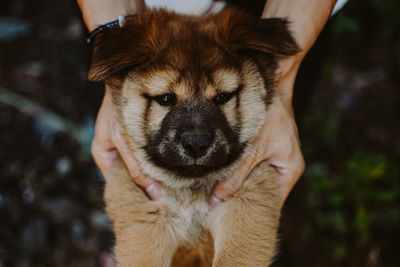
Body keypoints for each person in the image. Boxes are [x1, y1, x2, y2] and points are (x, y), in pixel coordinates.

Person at [77, 0, 338, 207]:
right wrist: (115, 66)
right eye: (166, 99)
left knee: (270, 137)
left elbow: (282, 43)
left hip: (277, 15)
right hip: (130, 26)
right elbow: (109, 58)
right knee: (120, 143)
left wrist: (280, 80)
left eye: (222, 97)